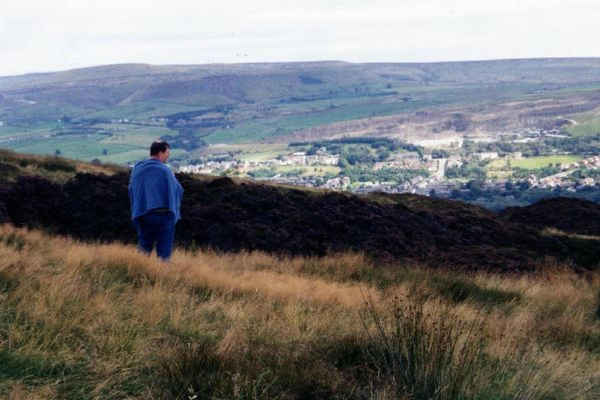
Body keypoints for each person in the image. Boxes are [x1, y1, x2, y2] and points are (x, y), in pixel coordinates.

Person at [128, 140, 183, 260]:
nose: (168, 155)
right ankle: (162, 275)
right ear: (160, 153)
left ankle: (139, 272)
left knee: (144, 248)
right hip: (164, 215)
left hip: (143, 213)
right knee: (164, 250)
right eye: (167, 152)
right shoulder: (166, 171)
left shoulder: (137, 169)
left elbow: (132, 189)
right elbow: (177, 190)